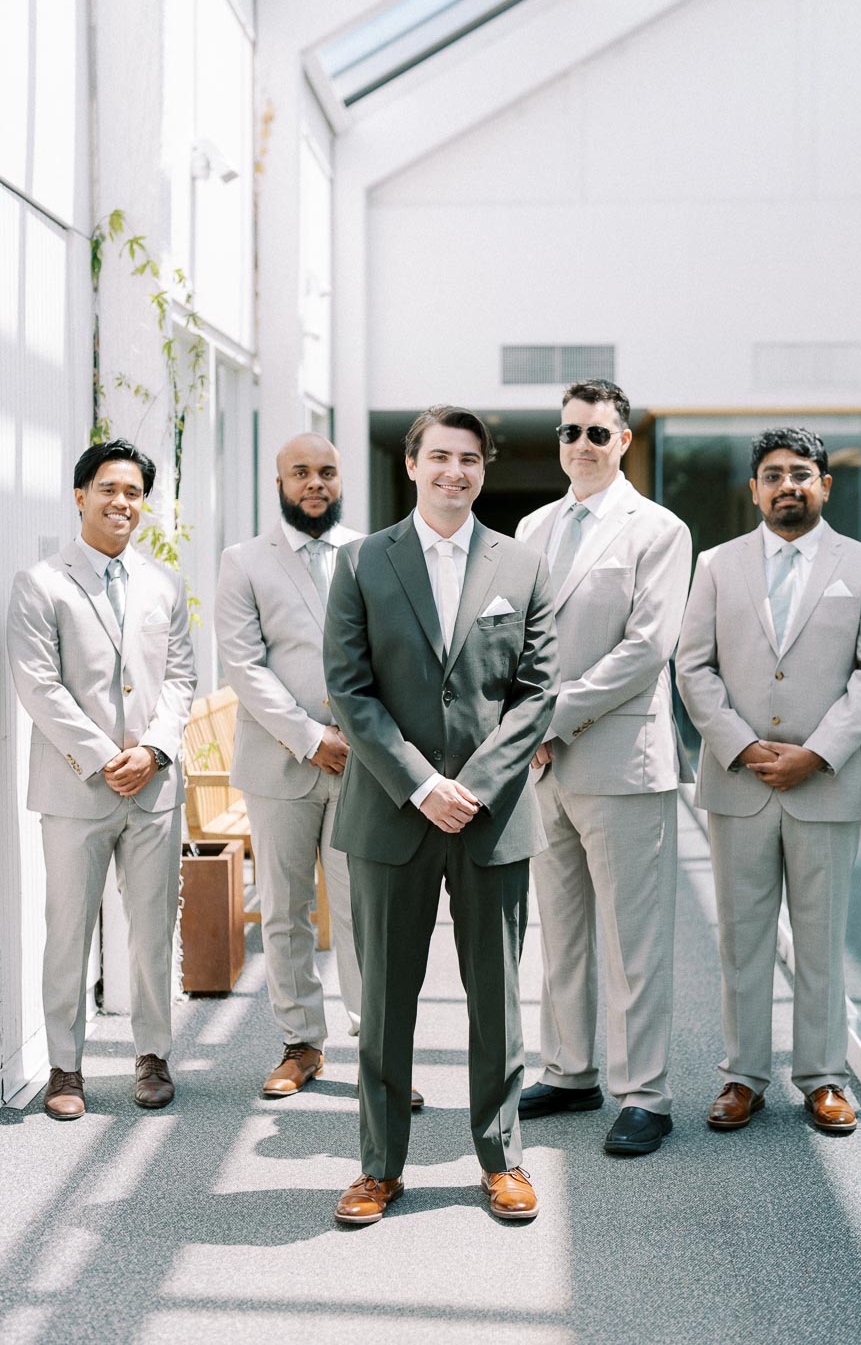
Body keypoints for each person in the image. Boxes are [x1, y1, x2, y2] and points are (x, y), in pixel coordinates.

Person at [323, 405, 558, 1223]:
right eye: (440, 457)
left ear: (483, 470)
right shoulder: (360, 562)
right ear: (412, 464)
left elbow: (536, 694)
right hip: (393, 811)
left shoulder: (522, 565)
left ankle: (503, 1160)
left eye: (470, 460)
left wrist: (477, 786)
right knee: (387, 1000)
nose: (455, 472)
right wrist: (423, 784)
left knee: (496, 996)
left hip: (490, 817)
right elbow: (349, 690)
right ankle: (378, 1167)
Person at [676, 427, 861, 1133]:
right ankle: (743, 1076)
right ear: (754, 489)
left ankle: (824, 1077)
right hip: (738, 786)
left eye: (801, 472)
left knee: (820, 938)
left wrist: (819, 753)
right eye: (772, 474)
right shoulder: (715, 563)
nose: (787, 484)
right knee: (741, 939)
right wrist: (742, 747)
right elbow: (692, 666)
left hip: (824, 784)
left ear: (825, 484)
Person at [216, 434, 424, 1107]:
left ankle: (379, 1051)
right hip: (280, 761)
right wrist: (310, 737)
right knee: (285, 910)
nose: (315, 483)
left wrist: (367, 739)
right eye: (301, 472)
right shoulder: (242, 561)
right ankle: (300, 1043)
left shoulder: (375, 553)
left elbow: (398, 654)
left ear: (342, 481)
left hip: (364, 764)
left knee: (369, 910)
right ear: (278, 482)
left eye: (327, 472)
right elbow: (244, 665)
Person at [515, 379, 692, 1156]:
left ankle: (645, 1092)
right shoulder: (531, 526)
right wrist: (526, 725)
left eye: (596, 433)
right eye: (568, 433)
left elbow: (648, 647)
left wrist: (549, 717)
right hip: (543, 767)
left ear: (623, 440)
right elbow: (515, 637)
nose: (580, 446)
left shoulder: (659, 529)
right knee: (562, 931)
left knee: (634, 938)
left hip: (621, 761)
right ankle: (570, 1069)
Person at [7, 439, 196, 1119]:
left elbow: (181, 678)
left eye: (135, 493)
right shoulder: (40, 583)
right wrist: (102, 756)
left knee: (151, 929)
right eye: (109, 489)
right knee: (69, 928)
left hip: (153, 787)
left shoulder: (163, 583)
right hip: (75, 788)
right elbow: (39, 686)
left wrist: (152, 750)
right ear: (81, 494)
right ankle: (65, 1068)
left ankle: (152, 1056)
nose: (122, 502)